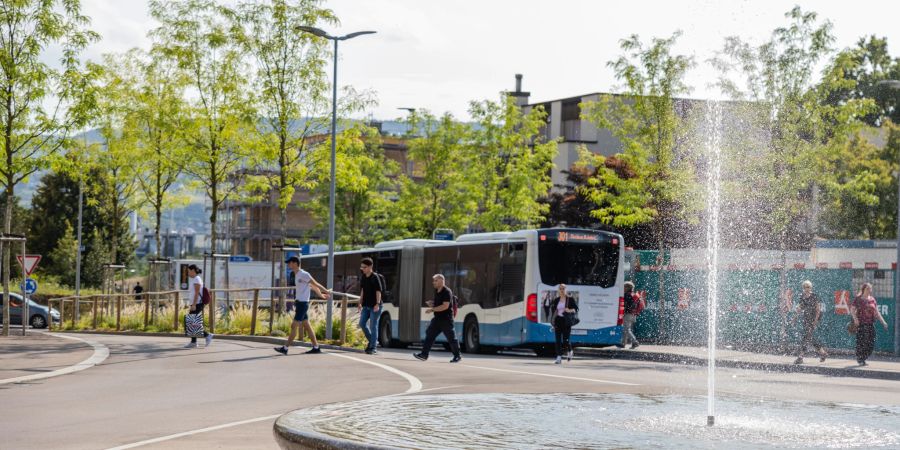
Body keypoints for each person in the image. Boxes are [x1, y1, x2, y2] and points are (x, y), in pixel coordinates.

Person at [274, 257, 330, 355]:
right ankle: (316, 347)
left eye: (289, 263)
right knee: (307, 326)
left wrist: (326, 291)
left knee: (293, 326)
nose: (288, 265)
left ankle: (285, 348)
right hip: (300, 303)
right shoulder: (297, 274)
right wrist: (321, 295)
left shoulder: (304, 274)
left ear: (295, 263)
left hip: (303, 304)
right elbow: (312, 286)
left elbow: (315, 283)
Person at [413, 274, 462, 363]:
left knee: (451, 338)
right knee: (429, 335)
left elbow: (445, 306)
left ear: (441, 281)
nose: (433, 282)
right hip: (437, 319)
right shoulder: (437, 290)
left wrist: (432, 309)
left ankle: (457, 356)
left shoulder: (447, 291)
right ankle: (424, 355)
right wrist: (432, 303)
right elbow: (439, 303)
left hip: (446, 320)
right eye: (434, 281)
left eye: (435, 281)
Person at [850, 282, 888, 366]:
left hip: (870, 323)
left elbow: (877, 312)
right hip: (861, 324)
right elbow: (852, 309)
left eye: (870, 288)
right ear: (863, 289)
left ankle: (864, 356)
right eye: (868, 288)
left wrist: (883, 322)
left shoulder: (872, 299)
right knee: (861, 341)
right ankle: (860, 358)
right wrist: (855, 319)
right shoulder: (858, 299)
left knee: (871, 342)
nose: (869, 290)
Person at [793, 280, 827, 364]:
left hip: (812, 320)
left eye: (808, 287)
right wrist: (794, 318)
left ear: (811, 287)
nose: (806, 289)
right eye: (804, 287)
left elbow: (818, 309)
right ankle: (823, 353)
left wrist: (815, 321)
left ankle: (800, 357)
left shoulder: (814, 296)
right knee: (810, 338)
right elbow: (800, 308)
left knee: (806, 337)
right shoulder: (802, 297)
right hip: (806, 319)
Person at [358, 258, 384, 354]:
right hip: (366, 305)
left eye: (364, 267)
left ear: (370, 267)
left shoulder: (375, 277)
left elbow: (378, 291)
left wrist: (377, 303)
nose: (362, 269)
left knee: (373, 326)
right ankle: (373, 342)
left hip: (375, 306)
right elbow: (363, 290)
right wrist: (360, 302)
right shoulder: (364, 277)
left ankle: (373, 348)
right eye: (361, 267)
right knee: (362, 324)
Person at [184, 265, 213, 348]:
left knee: (192, 322)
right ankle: (193, 342)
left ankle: (207, 335)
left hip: (197, 304)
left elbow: (197, 293)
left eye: (189, 271)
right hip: (195, 303)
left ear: (193, 270)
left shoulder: (197, 279)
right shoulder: (195, 279)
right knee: (192, 322)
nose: (188, 273)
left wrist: (193, 305)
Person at [550, 284, 578, 364]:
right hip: (558, 321)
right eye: (560, 289)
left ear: (566, 290)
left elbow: (576, 309)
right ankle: (559, 357)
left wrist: (569, 310)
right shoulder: (556, 300)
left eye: (563, 289)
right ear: (558, 290)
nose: (562, 290)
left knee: (566, 340)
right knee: (558, 340)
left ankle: (570, 351)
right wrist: (553, 321)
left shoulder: (570, 299)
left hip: (566, 321)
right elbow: (554, 311)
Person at [621, 282, 640, 349]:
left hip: (628, 314)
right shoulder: (634, 294)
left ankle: (635, 342)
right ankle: (623, 343)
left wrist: (623, 311)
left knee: (626, 329)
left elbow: (625, 305)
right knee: (626, 329)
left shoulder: (627, 295)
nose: (623, 288)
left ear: (627, 287)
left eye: (624, 287)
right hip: (633, 314)